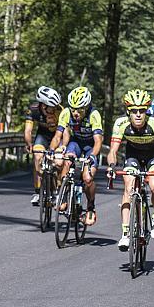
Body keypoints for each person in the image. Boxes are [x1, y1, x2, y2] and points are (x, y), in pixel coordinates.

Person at [107, 89, 154, 250]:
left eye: (142, 110)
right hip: (133, 155)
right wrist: (112, 166)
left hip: (153, 156)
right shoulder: (121, 124)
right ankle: (125, 233)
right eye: (134, 111)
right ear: (128, 111)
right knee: (128, 189)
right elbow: (113, 151)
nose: (138, 114)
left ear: (146, 111)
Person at [49, 86, 103, 225]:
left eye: (79, 109)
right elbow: (58, 135)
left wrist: (92, 157)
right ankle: (64, 196)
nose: (75, 113)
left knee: (87, 178)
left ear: (87, 106)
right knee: (65, 162)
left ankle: (91, 207)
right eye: (73, 109)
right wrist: (51, 150)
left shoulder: (94, 114)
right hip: (76, 143)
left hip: (91, 146)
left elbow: (98, 141)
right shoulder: (66, 113)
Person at [24, 86, 61, 205]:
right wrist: (29, 143)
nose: (54, 109)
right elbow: (28, 131)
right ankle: (37, 191)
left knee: (58, 161)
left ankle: (58, 190)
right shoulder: (33, 110)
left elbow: (65, 131)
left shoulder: (60, 110)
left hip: (57, 136)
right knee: (37, 157)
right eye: (52, 107)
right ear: (43, 105)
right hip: (43, 136)